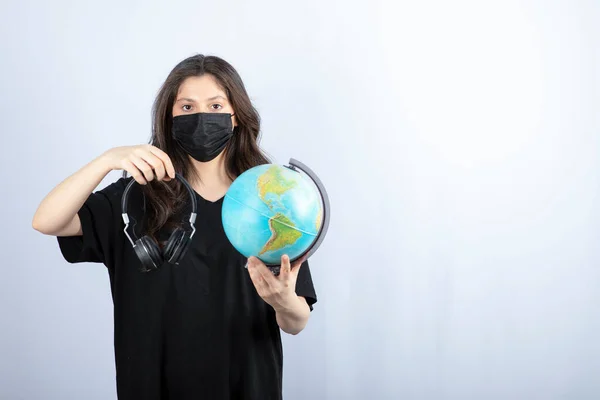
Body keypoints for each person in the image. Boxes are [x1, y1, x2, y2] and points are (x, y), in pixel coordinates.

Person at [32, 54, 317, 400]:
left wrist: (284, 301)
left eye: (215, 105)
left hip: (249, 387)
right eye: (186, 107)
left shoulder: (270, 200)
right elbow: (46, 220)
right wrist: (108, 160)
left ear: (237, 116)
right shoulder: (135, 196)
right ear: (168, 118)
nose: (201, 117)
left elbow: (296, 322)